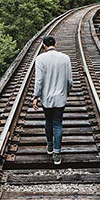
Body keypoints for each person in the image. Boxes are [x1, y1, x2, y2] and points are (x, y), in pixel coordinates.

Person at [32, 35, 73, 165]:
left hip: (46, 98)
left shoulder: (40, 59)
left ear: (43, 45)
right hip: (60, 97)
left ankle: (50, 145)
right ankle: (57, 153)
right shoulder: (65, 58)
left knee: (48, 120)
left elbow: (38, 80)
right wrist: (66, 92)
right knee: (58, 123)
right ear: (56, 43)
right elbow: (69, 80)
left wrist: (36, 96)